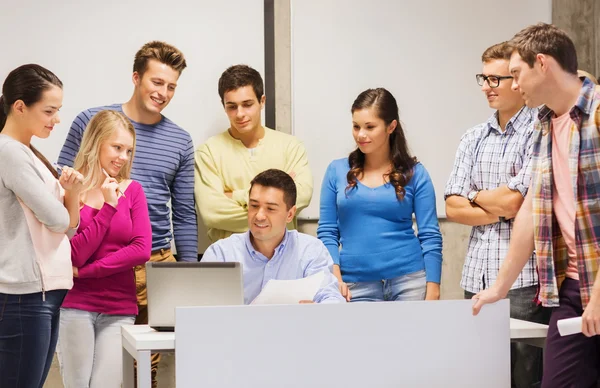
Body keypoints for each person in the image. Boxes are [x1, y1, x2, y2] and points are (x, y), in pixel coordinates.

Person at [57, 41, 196, 387]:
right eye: (156, 82)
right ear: (136, 78)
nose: (163, 92)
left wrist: (189, 274)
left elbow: (184, 212)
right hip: (88, 255)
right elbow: (64, 182)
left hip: (155, 259)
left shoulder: (180, 140)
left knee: (142, 369)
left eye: (171, 86)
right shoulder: (93, 120)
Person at [472, 23, 600, 388]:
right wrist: (500, 287)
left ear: (541, 63)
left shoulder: (597, 114)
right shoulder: (544, 125)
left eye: (516, 74)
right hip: (573, 287)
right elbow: (532, 208)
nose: (513, 85)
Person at [445, 41, 550, 387]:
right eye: (483, 78)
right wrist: (496, 203)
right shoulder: (472, 137)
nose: (487, 87)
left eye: (496, 79)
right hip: (475, 274)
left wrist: (474, 195)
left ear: (517, 82)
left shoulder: (540, 130)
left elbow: (516, 204)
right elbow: (452, 207)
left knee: (523, 377)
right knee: (479, 375)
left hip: (522, 280)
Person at [0, 64, 83, 388]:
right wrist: (67, 203)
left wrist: (71, 195)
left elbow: (69, 225)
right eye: (49, 110)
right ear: (19, 106)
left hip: (42, 293)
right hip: (24, 294)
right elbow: (59, 220)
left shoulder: (30, 153)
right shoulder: (10, 153)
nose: (56, 119)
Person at [317, 88, 443, 302]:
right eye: (356, 126)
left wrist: (433, 288)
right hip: (353, 284)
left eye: (370, 127)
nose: (360, 135)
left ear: (391, 126)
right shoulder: (336, 171)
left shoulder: (415, 173)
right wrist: (334, 277)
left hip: (409, 282)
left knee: (411, 337)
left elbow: (430, 235)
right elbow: (327, 232)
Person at [56, 110, 152, 388]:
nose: (123, 157)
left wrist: (87, 273)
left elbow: (142, 249)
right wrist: (108, 207)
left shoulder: (133, 190)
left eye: (128, 150)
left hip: (119, 306)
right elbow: (74, 254)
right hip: (75, 305)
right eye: (117, 147)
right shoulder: (72, 190)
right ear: (97, 142)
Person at [195, 65, 313, 242]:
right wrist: (275, 207)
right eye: (232, 107)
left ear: (262, 101)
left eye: (247, 104)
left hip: (282, 258)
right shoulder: (208, 152)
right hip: (231, 260)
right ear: (224, 106)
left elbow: (302, 195)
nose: (240, 114)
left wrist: (236, 195)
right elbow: (213, 213)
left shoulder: (290, 147)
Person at [202, 169, 343, 304]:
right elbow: (198, 305)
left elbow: (332, 298)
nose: (259, 216)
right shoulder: (221, 254)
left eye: (270, 208)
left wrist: (317, 310)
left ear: (290, 214)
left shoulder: (310, 250)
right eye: (254, 206)